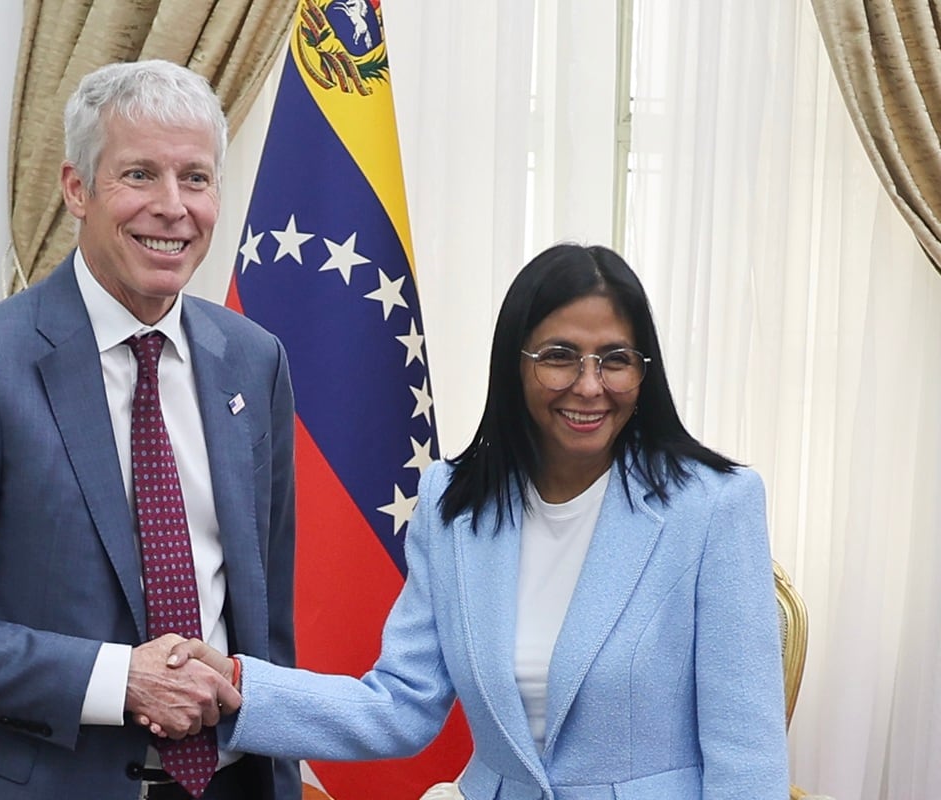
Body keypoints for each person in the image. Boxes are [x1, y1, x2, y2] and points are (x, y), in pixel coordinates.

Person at [165, 243, 790, 799]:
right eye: (559, 357)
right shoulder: (453, 503)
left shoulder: (715, 507)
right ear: (514, 364)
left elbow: (747, 759)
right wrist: (240, 684)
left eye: (615, 359)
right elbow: (402, 703)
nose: (589, 385)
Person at [0, 60, 299, 800]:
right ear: (76, 189)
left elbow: (268, 620)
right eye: (139, 175)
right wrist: (119, 679)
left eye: (195, 178)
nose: (173, 207)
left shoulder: (254, 361)